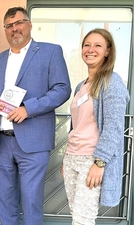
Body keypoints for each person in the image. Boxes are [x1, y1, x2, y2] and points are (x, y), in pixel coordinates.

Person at [0, 7, 71, 225]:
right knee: (4, 199)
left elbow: (62, 89)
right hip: (0, 142)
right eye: (9, 26)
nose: (14, 29)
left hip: (33, 141)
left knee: (31, 201)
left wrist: (29, 109)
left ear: (29, 24)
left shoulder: (50, 52)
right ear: (5, 30)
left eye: (19, 23)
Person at [61, 28, 129, 225]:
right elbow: (77, 125)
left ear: (108, 51)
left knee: (83, 220)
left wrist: (99, 163)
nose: (90, 49)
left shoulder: (112, 82)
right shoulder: (81, 86)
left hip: (92, 159)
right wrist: (67, 158)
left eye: (98, 45)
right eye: (87, 45)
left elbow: (114, 127)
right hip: (72, 158)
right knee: (77, 216)